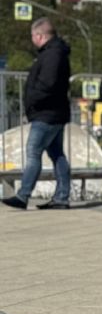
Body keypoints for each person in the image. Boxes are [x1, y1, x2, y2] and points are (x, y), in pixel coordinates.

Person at [4, 18, 72, 210]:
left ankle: (23, 195)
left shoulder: (52, 55)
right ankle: (61, 198)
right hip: (54, 112)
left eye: (33, 35)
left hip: (46, 113)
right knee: (57, 154)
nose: (32, 39)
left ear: (40, 35)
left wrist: (33, 102)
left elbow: (47, 84)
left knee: (33, 152)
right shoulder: (55, 52)